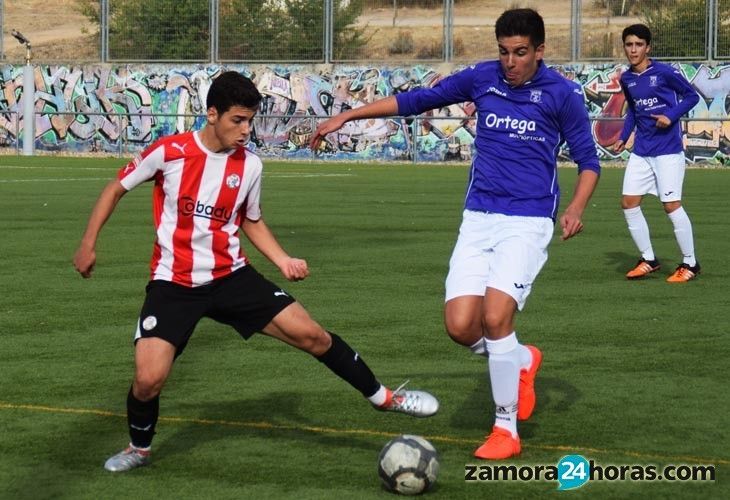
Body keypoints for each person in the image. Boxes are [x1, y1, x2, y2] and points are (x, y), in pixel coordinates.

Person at [72, 71, 438, 473]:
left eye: (251, 121)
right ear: (212, 114)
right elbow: (115, 187)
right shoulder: (170, 152)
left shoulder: (250, 167)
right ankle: (139, 448)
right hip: (173, 284)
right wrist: (89, 243)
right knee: (148, 380)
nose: (246, 130)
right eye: (237, 120)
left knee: (312, 335)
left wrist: (281, 259)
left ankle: (384, 397)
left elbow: (251, 219)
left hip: (232, 278)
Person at [310, 8, 600, 460]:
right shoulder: (482, 78)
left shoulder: (562, 95)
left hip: (528, 220)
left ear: (540, 51)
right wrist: (346, 116)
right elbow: (416, 101)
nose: (510, 62)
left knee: (497, 318)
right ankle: (521, 360)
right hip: (479, 216)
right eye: (504, 52)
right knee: (461, 326)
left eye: (520, 53)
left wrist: (576, 208)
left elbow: (589, 161)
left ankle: (505, 429)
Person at [613, 24, 701, 282]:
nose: (633, 49)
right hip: (642, 152)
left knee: (671, 205)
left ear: (648, 47)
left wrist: (670, 116)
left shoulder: (664, 72)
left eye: (639, 44)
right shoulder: (626, 78)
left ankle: (690, 263)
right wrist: (623, 136)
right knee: (628, 203)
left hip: (667, 151)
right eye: (629, 44)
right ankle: (649, 259)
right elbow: (633, 110)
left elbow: (691, 96)